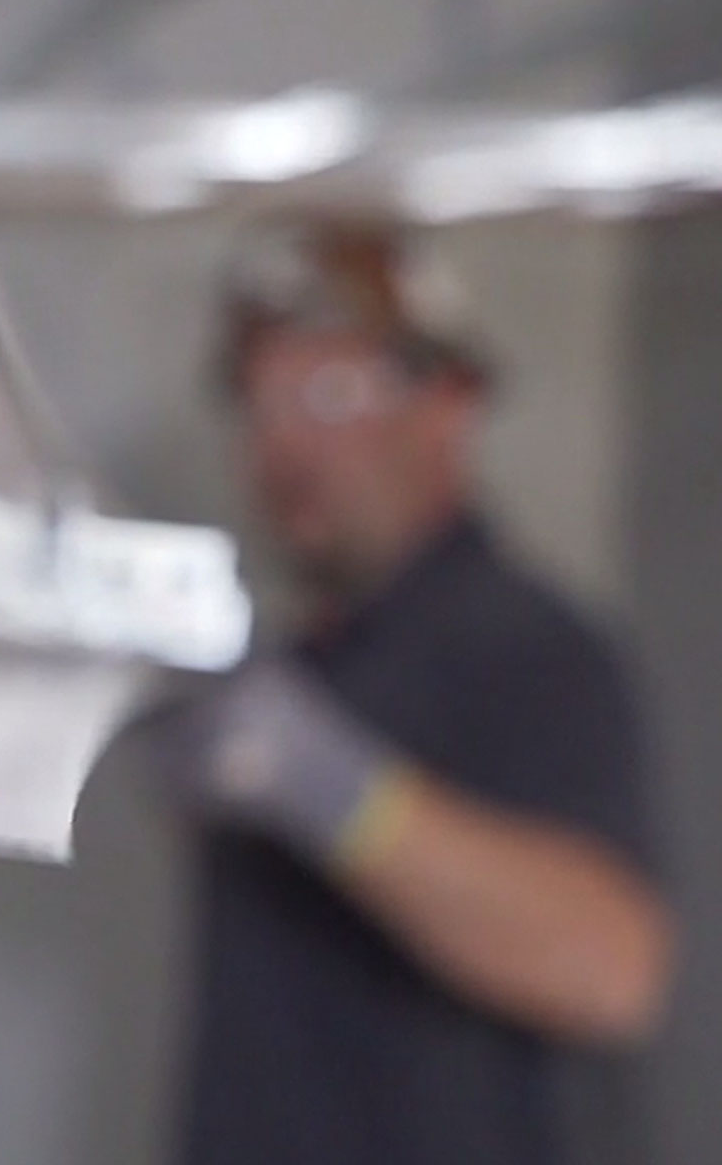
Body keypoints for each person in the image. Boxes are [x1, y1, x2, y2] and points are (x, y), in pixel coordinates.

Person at [141, 224, 675, 1165]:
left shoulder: (533, 652)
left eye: (328, 394)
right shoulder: (300, 673)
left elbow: (612, 970)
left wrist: (330, 787)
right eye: (262, 402)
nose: (286, 441)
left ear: (448, 405)